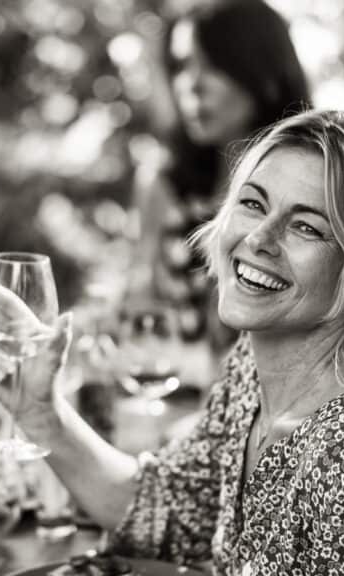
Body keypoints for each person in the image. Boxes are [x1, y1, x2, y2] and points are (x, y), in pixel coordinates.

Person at [0, 110, 344, 574]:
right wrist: (44, 415)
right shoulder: (251, 372)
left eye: (305, 226)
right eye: (253, 203)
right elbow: (169, 510)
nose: (259, 237)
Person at [130, 0, 309, 347]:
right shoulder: (164, 186)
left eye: (212, 65)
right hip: (173, 393)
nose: (192, 85)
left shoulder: (313, 191)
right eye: (181, 65)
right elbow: (140, 313)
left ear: (261, 69)